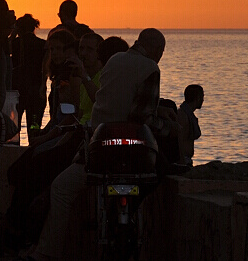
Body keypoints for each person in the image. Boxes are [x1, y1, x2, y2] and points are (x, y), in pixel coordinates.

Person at [27, 29, 175, 261]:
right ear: (157, 50)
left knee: (61, 189)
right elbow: (142, 116)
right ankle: (133, 212)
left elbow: (109, 101)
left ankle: (46, 252)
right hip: (132, 153)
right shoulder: (150, 68)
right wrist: (166, 126)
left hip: (97, 150)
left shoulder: (114, 61)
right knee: (161, 173)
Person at [10, 14, 47, 136]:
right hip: (36, 92)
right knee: (34, 128)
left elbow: (4, 51)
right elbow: (46, 68)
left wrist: (13, 33)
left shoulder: (14, 44)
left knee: (14, 129)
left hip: (17, 92)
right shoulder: (43, 45)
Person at [75, 32, 104, 125]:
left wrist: (84, 76)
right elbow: (79, 115)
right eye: (81, 48)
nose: (83, 53)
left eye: (89, 50)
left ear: (99, 53)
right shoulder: (84, 78)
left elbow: (100, 102)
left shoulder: (104, 76)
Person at [177, 84, 204, 164]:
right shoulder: (182, 115)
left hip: (186, 159)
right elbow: (179, 140)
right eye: (202, 97)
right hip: (182, 160)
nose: (203, 100)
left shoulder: (188, 114)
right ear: (197, 98)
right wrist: (181, 161)